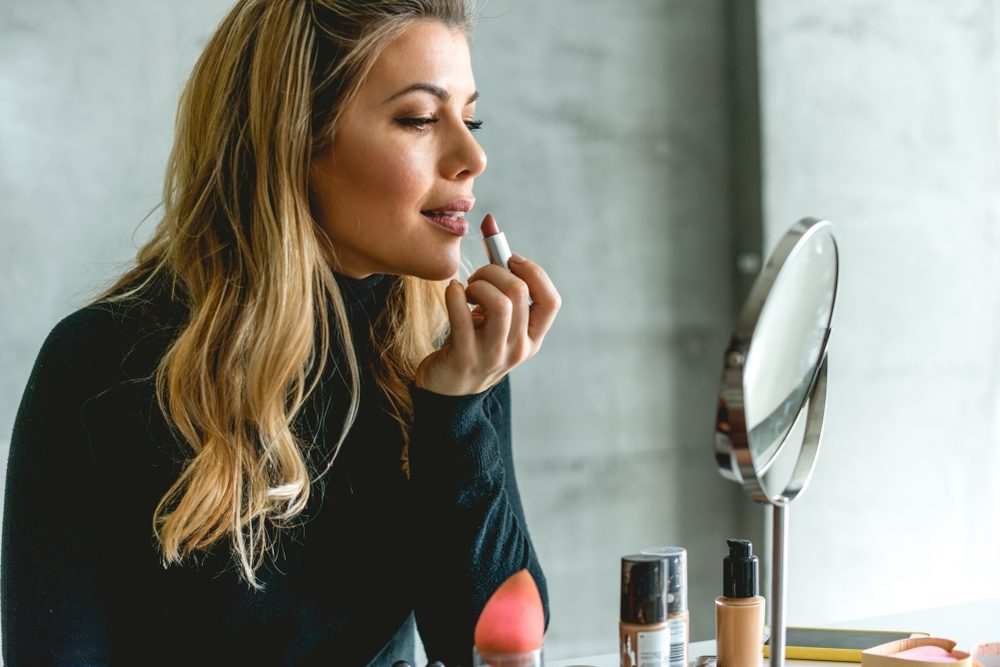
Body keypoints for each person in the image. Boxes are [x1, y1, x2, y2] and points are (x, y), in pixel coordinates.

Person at [0, 1, 560, 664]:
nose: (473, 155)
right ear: (294, 136)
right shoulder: (100, 364)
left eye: (470, 118)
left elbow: (484, 648)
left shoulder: (447, 356)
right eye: (419, 118)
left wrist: (459, 412)